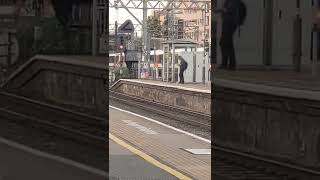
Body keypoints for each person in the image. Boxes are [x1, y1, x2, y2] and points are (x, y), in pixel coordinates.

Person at [215, 0, 246, 70]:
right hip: (227, 22)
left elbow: (230, 10)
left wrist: (222, 10)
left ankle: (230, 64)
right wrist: (222, 10)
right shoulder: (229, 1)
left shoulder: (234, 2)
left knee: (226, 43)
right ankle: (227, 64)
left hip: (230, 23)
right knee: (224, 43)